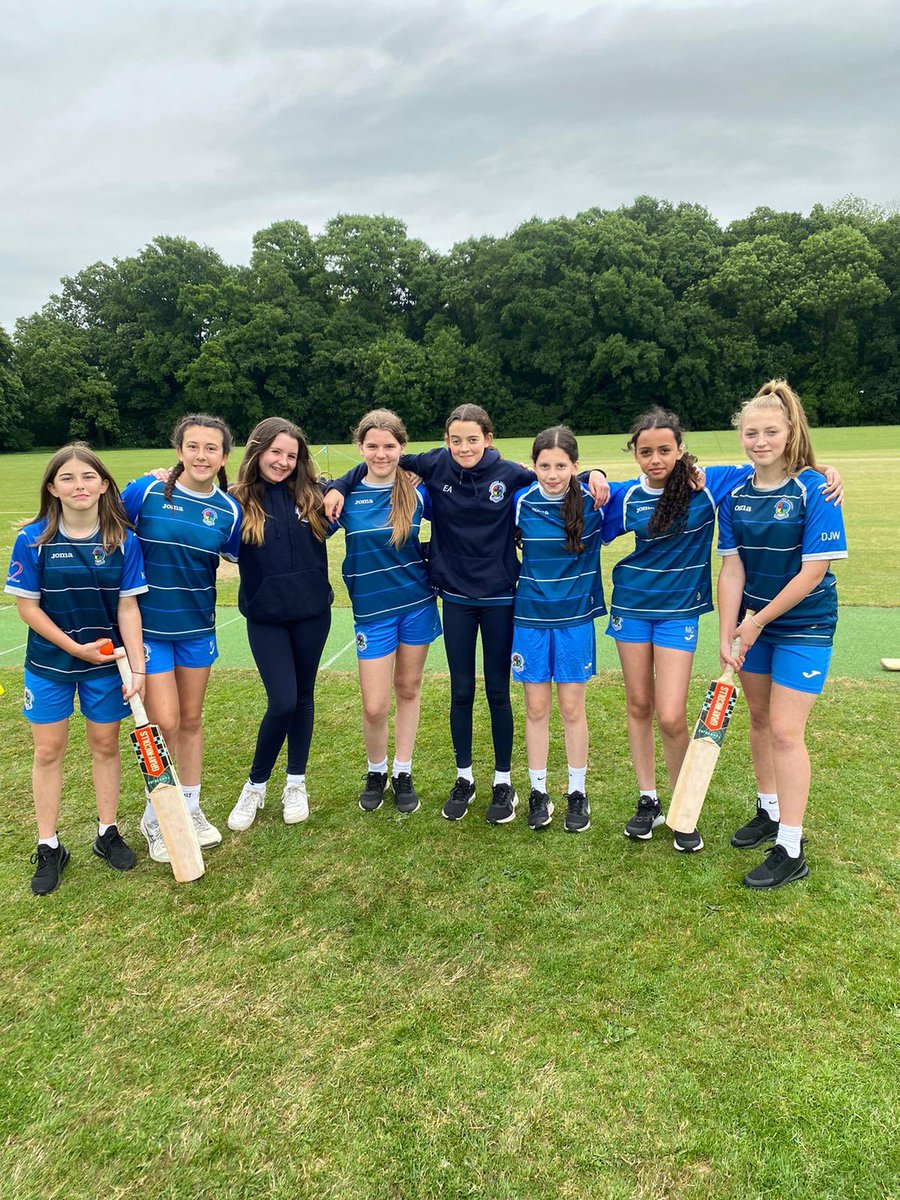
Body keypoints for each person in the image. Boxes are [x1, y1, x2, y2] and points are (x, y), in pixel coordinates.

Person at [325, 404, 608, 825]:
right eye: (455, 439)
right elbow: (383, 458)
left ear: (488, 440)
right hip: (454, 597)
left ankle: (502, 782)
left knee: (497, 692)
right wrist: (339, 483)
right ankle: (464, 777)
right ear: (445, 441)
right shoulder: (435, 464)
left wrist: (594, 475)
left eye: (472, 439)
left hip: (500, 598)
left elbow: (556, 475)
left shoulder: (510, 473)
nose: (464, 447)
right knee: (460, 691)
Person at [603, 407, 843, 853]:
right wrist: (594, 474)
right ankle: (652, 799)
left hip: (702, 615)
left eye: (665, 449)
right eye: (645, 451)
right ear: (634, 454)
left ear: (680, 450)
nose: (656, 458)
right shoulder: (628, 493)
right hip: (632, 608)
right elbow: (576, 492)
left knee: (675, 715)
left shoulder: (714, 485)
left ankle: (691, 809)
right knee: (641, 703)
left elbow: (775, 465)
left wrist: (823, 468)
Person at [717, 380, 847, 888]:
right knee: (759, 719)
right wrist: (730, 631)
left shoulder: (816, 489)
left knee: (787, 732)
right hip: (754, 625)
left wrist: (753, 623)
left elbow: (812, 572)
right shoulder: (737, 493)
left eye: (771, 431)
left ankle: (791, 847)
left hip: (804, 626)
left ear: (790, 432)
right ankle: (768, 809)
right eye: (751, 432)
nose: (760, 440)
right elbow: (732, 569)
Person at [4, 445, 147, 895]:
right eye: (67, 478)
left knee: (105, 745)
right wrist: (73, 648)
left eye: (88, 477)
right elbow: (27, 608)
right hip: (49, 664)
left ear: (104, 484)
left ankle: (107, 833)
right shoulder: (33, 538)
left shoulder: (124, 539)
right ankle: (50, 844)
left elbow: (128, 608)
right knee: (48, 751)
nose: (79, 485)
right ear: (52, 488)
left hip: (106, 665)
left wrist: (136, 666)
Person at [121, 414, 241, 864]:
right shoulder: (146, 492)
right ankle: (156, 816)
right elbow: (103, 522)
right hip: (150, 631)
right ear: (179, 450)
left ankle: (189, 807)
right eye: (193, 446)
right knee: (164, 723)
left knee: (190, 720)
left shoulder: (229, 510)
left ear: (224, 456)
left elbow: (240, 555)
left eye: (212, 449)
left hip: (197, 629)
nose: (202, 456)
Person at [332, 409, 442, 814]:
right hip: (372, 614)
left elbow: (470, 500)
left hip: (417, 605)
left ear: (402, 448)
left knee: (408, 690)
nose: (381, 454)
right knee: (375, 705)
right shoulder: (343, 497)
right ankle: (375, 770)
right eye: (373, 446)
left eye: (390, 446)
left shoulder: (417, 491)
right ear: (360, 448)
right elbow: (298, 520)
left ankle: (402, 771)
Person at [225, 418, 332, 831]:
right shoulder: (234, 501)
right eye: (276, 452)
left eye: (292, 455)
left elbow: (366, 476)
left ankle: (296, 782)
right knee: (282, 701)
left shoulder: (314, 496)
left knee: (303, 698)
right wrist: (166, 475)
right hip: (266, 617)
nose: (284, 461)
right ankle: (255, 785)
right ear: (258, 451)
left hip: (312, 614)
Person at [512, 427, 606, 833]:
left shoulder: (597, 501)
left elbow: (658, 478)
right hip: (530, 619)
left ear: (575, 466)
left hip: (574, 621)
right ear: (533, 466)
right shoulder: (520, 501)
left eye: (561, 466)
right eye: (544, 466)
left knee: (571, 709)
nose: (552, 474)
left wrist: (598, 475)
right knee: (536, 709)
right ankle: (538, 791)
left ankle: (577, 792)